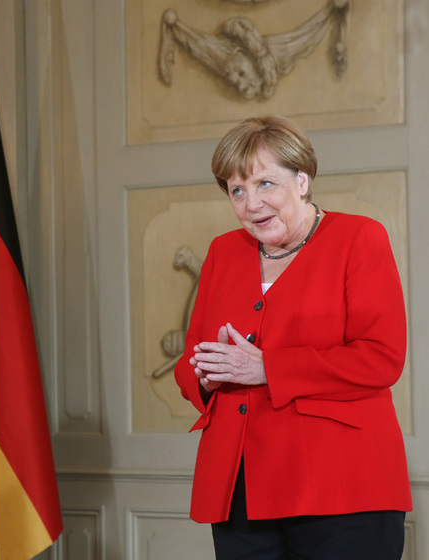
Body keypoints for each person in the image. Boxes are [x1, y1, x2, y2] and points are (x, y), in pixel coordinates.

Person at [174, 115, 412, 559]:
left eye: (266, 184)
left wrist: (266, 367)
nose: (251, 203)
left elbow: (381, 358)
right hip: (240, 492)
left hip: (341, 489)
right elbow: (192, 360)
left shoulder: (358, 237)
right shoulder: (222, 252)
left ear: (302, 180)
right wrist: (206, 375)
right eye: (236, 190)